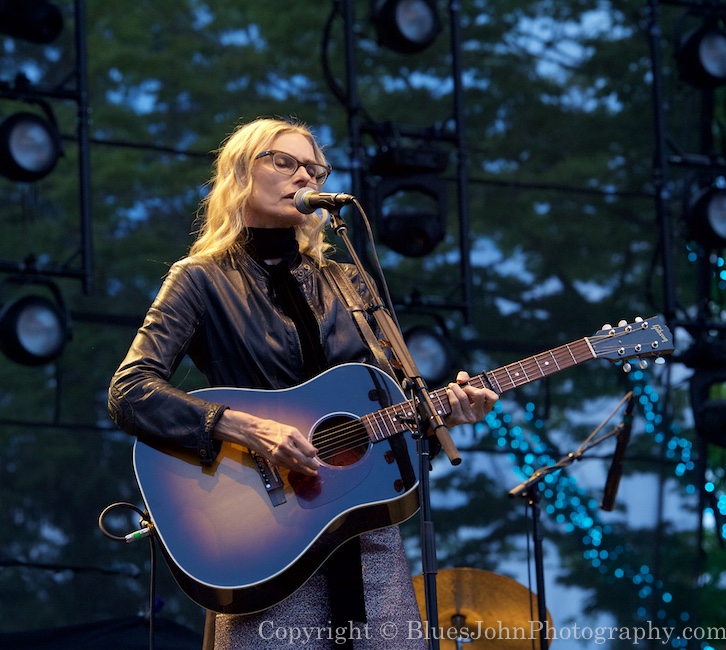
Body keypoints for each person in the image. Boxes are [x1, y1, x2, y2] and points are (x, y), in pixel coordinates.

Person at [108, 116, 499, 649]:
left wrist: (443, 415)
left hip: (366, 540)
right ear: (242, 173)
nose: (304, 178)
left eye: (315, 169)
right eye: (285, 162)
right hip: (263, 536)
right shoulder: (200, 278)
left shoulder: (348, 281)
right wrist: (245, 428)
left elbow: (384, 412)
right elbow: (130, 391)